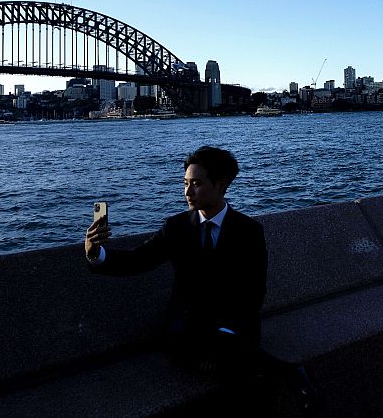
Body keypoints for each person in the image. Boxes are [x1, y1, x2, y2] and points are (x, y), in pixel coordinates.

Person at [84, 146, 316, 413]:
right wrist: (95, 253)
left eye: (196, 184)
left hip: (233, 327)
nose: (187, 192)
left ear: (220, 185)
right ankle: (288, 372)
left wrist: (223, 333)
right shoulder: (176, 228)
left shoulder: (249, 231)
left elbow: (254, 293)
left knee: (236, 363)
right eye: (185, 183)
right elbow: (138, 260)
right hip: (188, 328)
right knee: (236, 365)